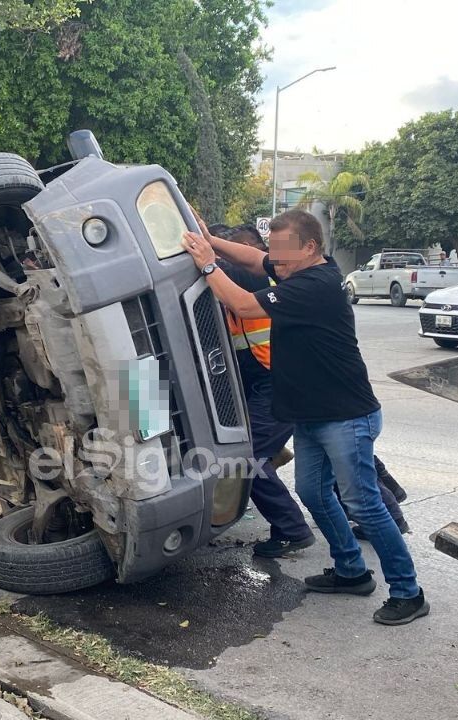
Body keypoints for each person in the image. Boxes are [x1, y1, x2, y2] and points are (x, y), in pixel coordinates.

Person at [182, 209, 429, 626]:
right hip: (311, 416)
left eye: (280, 252)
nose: (272, 260)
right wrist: (212, 240)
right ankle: (351, 571)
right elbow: (250, 259)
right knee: (314, 494)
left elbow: (241, 303)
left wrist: (206, 261)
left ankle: (409, 591)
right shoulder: (296, 270)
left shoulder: (315, 285)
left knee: (363, 505)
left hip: (345, 417)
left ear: (310, 247)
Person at [217, 228, 316, 558]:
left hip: (280, 383)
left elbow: (231, 271)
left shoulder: (259, 277)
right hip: (270, 382)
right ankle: (388, 509)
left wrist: (198, 250)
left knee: (250, 460)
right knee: (327, 454)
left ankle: (292, 529)